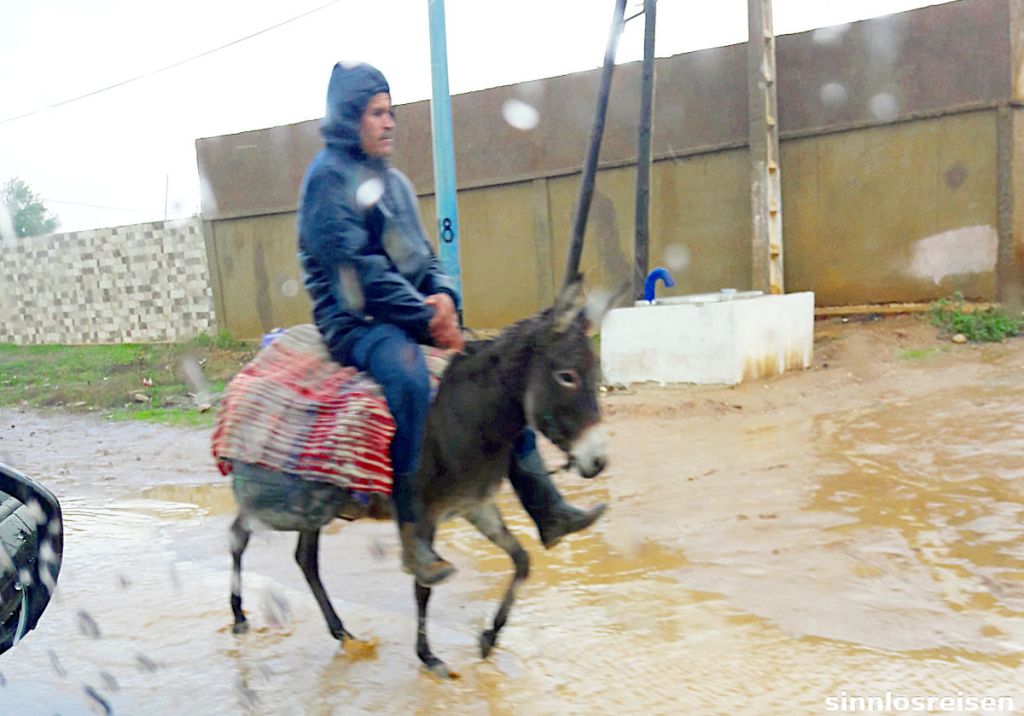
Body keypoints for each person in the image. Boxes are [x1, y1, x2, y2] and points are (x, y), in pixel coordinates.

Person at [297, 61, 605, 586]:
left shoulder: (391, 182)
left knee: (504, 372)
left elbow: (422, 258)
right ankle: (414, 536)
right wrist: (425, 317)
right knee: (409, 378)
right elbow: (358, 273)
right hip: (355, 320)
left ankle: (547, 508)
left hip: (408, 313)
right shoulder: (327, 180)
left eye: (391, 112)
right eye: (377, 113)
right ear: (350, 119)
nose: (390, 123)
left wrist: (444, 295)